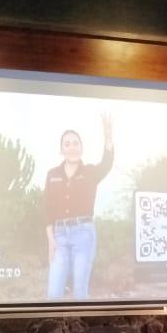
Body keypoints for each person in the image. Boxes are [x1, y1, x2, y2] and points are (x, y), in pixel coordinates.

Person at [44, 114, 113, 301]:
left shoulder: (90, 172)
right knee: (53, 293)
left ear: (81, 148)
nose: (71, 147)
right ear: (61, 149)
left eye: (75, 143)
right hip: (59, 236)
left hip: (83, 235)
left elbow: (107, 164)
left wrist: (108, 137)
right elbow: (47, 208)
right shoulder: (52, 175)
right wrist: (51, 240)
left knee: (79, 292)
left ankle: (77, 328)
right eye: (67, 144)